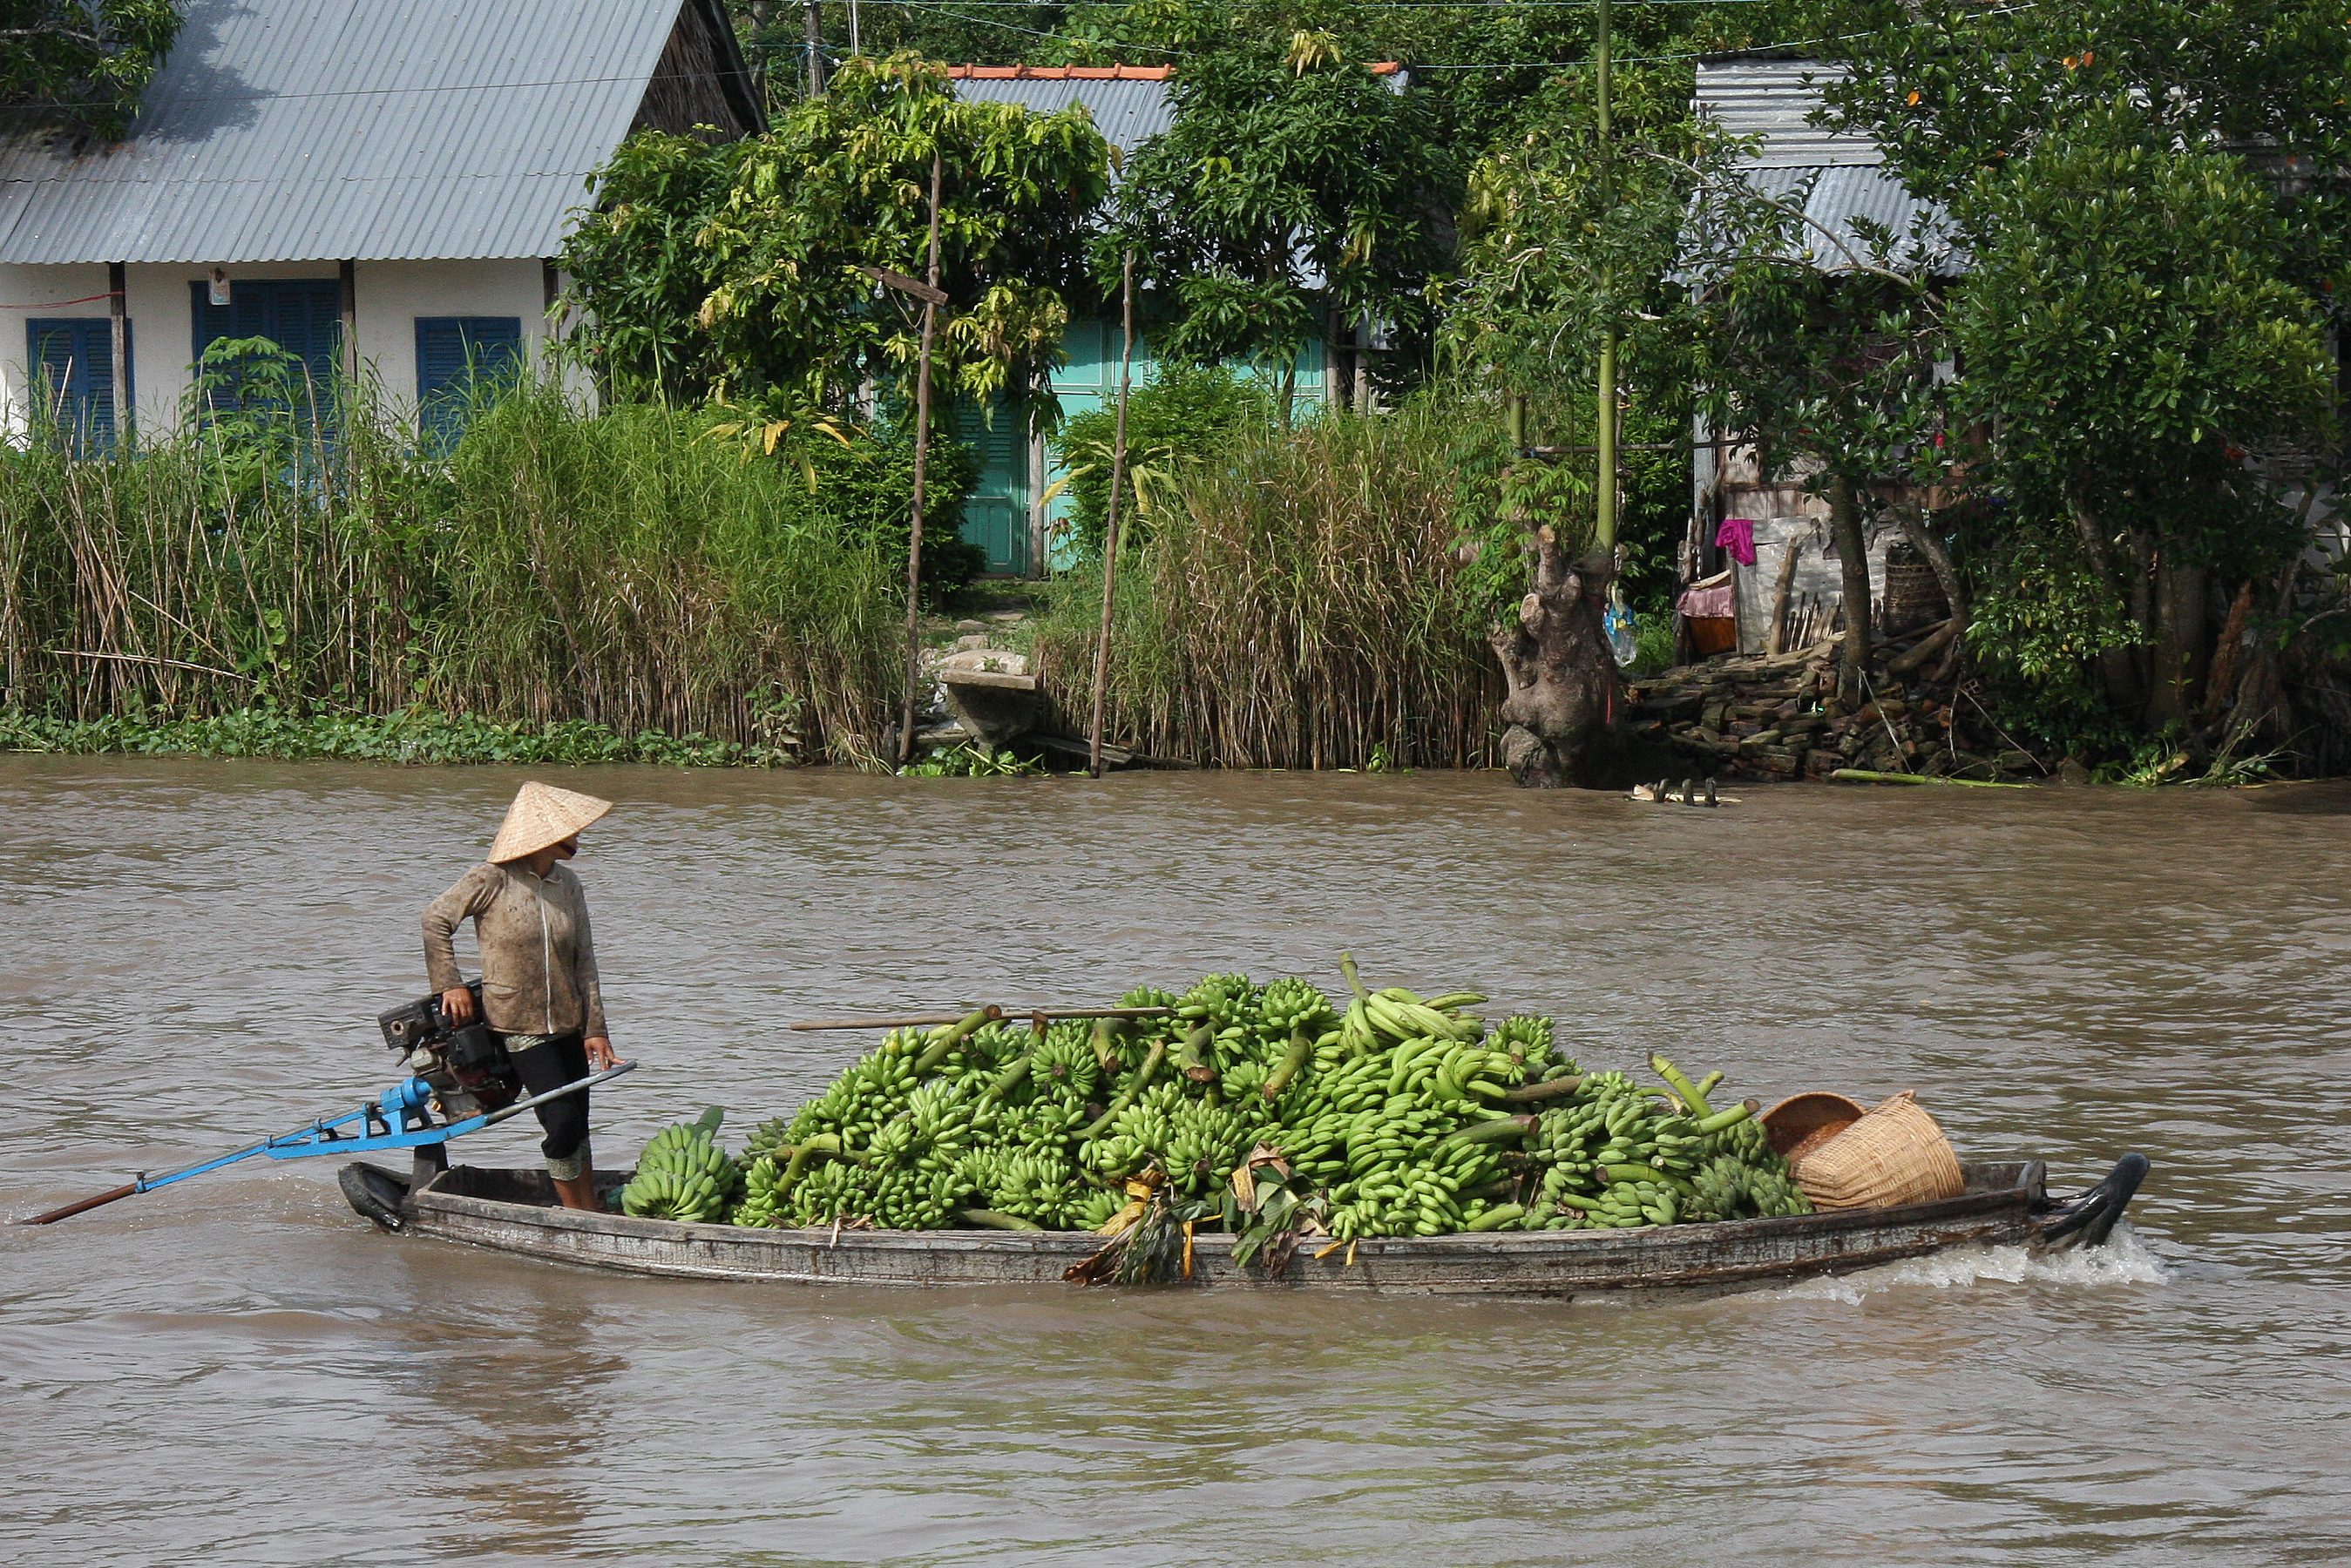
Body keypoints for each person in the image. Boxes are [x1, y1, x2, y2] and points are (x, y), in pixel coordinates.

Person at [423, 781, 625, 1211]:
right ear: (540, 838)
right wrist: (449, 983)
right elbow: (435, 919)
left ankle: (587, 1206)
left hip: (569, 1022)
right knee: (562, 1121)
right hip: (517, 1022)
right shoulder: (491, 880)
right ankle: (577, 1214)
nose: (576, 838)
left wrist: (596, 1030)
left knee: (579, 1123)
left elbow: (584, 960)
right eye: (567, 832)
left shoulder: (567, 885)